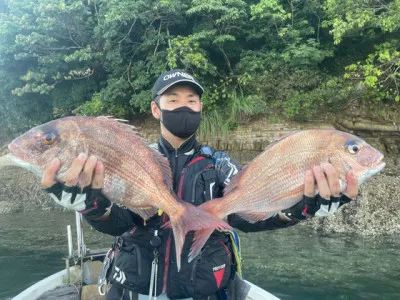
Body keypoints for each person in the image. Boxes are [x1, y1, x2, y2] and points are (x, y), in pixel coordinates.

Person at [41, 69, 358, 300]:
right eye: (173, 99)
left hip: (204, 291)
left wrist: (302, 208)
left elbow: (244, 220)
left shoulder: (221, 165)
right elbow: (122, 222)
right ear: (156, 108)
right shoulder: (135, 158)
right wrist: (90, 205)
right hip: (132, 290)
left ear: (201, 108)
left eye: (192, 100)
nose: (184, 106)